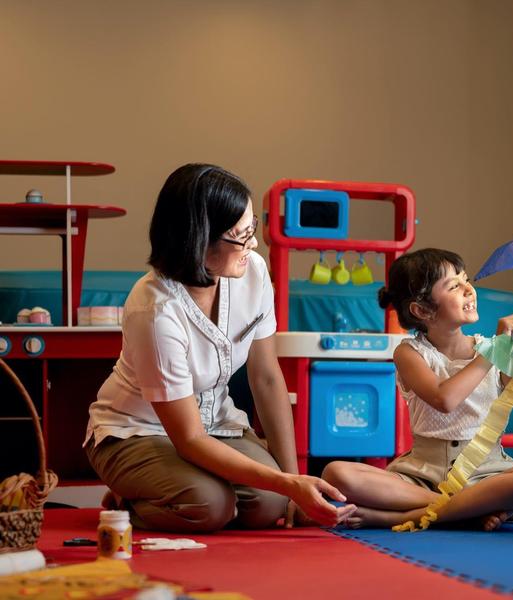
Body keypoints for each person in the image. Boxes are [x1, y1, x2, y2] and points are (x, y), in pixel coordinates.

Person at [84, 164, 356, 533]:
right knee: (209, 505)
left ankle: (174, 491)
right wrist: (291, 483)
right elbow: (189, 438)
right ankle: (128, 502)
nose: (253, 244)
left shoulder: (254, 272)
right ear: (197, 239)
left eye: (253, 228)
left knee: (270, 504)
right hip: (137, 431)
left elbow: (267, 379)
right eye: (241, 236)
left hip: (216, 425)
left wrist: (293, 483)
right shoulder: (155, 309)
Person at [322, 248, 513, 530]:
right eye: (454, 285)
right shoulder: (409, 352)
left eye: (467, 280)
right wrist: (495, 348)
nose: (468, 289)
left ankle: (395, 518)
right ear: (422, 309)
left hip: (486, 472)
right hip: (423, 473)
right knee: (336, 473)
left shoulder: (493, 350)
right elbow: (444, 398)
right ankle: (466, 509)